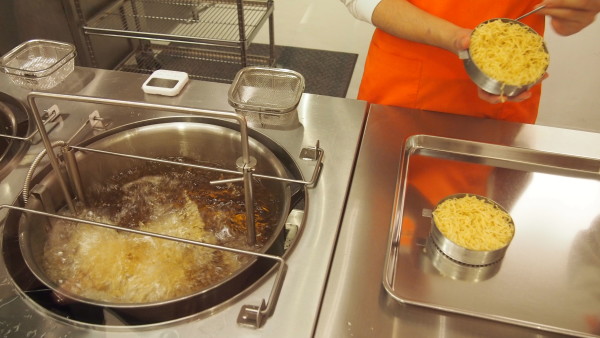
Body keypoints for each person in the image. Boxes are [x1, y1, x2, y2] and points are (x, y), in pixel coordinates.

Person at [341, 0, 600, 124]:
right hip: (406, 90)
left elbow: (573, 12)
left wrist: (580, 8)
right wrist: (460, 39)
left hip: (509, 81)